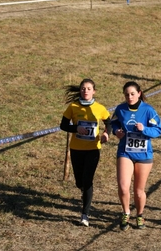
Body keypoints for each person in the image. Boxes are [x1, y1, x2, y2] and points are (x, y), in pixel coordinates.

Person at [111, 81, 161, 231]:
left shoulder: (148, 110)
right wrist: (116, 132)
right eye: (127, 94)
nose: (129, 97)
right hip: (125, 152)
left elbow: (158, 130)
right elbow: (113, 123)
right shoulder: (120, 109)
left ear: (139, 93)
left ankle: (140, 215)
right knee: (123, 186)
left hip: (143, 154)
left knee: (139, 191)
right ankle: (126, 212)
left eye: (132, 94)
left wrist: (144, 129)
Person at [59, 78, 112, 227]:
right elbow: (63, 125)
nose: (85, 91)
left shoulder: (100, 108)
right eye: (83, 88)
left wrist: (107, 133)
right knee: (79, 182)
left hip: (93, 149)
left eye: (89, 88)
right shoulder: (73, 107)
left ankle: (85, 214)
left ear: (94, 91)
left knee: (88, 180)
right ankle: (83, 190)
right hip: (76, 148)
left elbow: (109, 123)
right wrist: (76, 129)